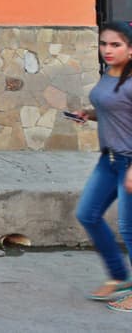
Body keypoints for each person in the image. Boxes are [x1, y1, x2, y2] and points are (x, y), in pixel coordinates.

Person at [72, 20, 132, 310]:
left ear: (130, 49)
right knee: (87, 214)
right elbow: (116, 109)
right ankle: (121, 277)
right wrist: (89, 114)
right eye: (104, 43)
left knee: (129, 228)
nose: (107, 50)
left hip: (130, 162)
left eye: (115, 45)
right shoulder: (110, 73)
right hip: (108, 159)